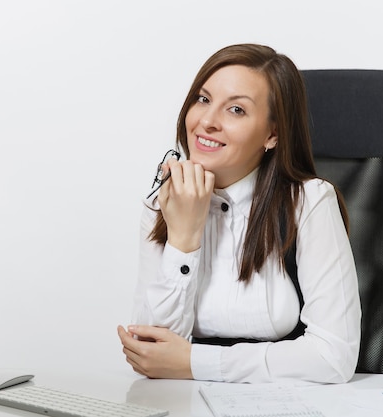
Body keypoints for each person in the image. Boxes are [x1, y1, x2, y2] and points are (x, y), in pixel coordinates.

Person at [117, 43, 361, 384]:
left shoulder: (308, 202)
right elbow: (150, 349)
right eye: (203, 99)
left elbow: (333, 357)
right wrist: (183, 239)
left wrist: (194, 362)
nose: (207, 121)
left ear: (272, 134)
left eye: (235, 110)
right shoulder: (163, 203)